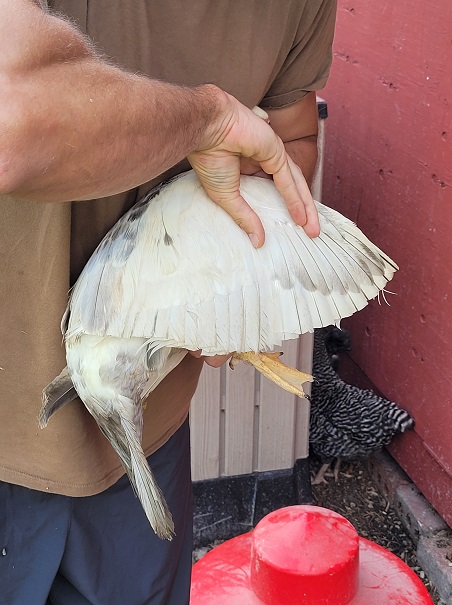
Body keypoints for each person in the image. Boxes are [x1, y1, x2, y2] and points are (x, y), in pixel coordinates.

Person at [0, 1, 337, 603]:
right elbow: (10, 121)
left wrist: (237, 274)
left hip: (145, 433)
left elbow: (293, 138)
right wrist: (206, 118)